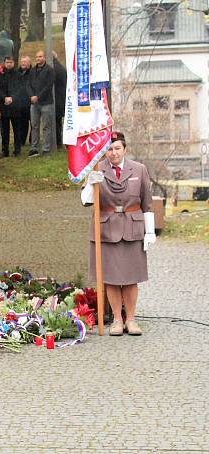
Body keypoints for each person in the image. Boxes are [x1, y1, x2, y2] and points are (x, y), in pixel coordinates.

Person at [81, 132, 155, 336]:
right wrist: (91, 184)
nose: (113, 153)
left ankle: (131, 319)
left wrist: (150, 232)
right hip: (107, 229)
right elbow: (86, 201)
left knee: (131, 277)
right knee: (111, 278)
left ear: (125, 149)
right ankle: (116, 320)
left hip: (133, 228)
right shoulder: (97, 169)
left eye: (117, 148)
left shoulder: (139, 169)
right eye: (109, 149)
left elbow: (147, 202)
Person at [0, 56, 31, 157]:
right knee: (4, 130)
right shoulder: (0, 75)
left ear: (14, 63)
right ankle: (5, 150)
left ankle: (17, 149)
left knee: (17, 129)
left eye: (11, 62)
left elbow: (21, 89)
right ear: (4, 63)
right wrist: (4, 98)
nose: (9, 64)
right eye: (7, 62)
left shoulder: (18, 75)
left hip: (16, 106)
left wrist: (13, 98)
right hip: (4, 106)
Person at [28, 50, 55, 157]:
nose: (38, 58)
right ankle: (34, 148)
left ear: (44, 57)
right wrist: (31, 96)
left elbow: (48, 86)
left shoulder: (50, 70)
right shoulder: (32, 70)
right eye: (37, 57)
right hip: (34, 103)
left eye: (40, 56)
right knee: (34, 125)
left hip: (46, 102)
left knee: (46, 126)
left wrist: (38, 96)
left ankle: (46, 149)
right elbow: (28, 85)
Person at [52, 51, 67, 147]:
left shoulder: (54, 68)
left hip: (56, 98)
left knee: (56, 122)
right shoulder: (61, 67)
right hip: (61, 97)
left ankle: (57, 142)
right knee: (58, 122)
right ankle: (59, 141)